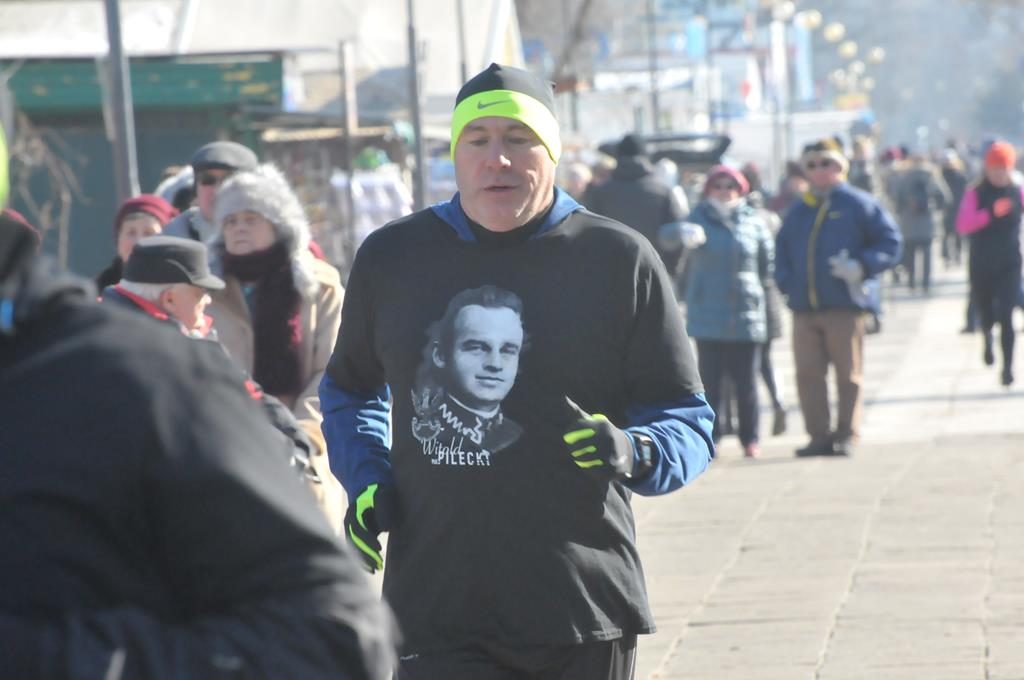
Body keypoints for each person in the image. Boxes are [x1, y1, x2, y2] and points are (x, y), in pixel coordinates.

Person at [320, 62, 715, 679]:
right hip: (436, 607)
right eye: (477, 140)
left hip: (580, 605)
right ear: (455, 155)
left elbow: (686, 415)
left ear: (552, 152)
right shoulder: (392, 257)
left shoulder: (617, 258)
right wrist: (367, 473)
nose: (496, 160)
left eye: (519, 139)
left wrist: (637, 449)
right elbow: (351, 388)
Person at [0, 165, 395, 678]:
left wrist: (51, 659)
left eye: (252, 219)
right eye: (232, 221)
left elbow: (335, 633)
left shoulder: (145, 375)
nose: (207, 306)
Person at [101, 234, 345, 530]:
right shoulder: (130, 346)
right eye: (200, 293)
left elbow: (246, 394)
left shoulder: (187, 337)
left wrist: (292, 445)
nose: (208, 301)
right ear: (170, 299)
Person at [207, 163, 344, 465]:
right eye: (230, 221)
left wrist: (301, 436)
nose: (239, 228)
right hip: (226, 452)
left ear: (279, 225)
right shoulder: (204, 291)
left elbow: (333, 372)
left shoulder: (318, 287)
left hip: (305, 452)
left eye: (251, 219)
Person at [775, 139, 902, 457]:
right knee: (808, 375)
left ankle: (847, 433)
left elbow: (890, 242)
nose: (819, 170)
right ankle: (818, 436)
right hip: (804, 308)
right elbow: (781, 251)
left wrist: (862, 265)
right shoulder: (799, 209)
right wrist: (786, 283)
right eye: (812, 164)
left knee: (848, 375)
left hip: (844, 306)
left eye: (826, 163)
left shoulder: (859, 204)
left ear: (840, 167)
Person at [667, 165, 773, 458]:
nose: (725, 192)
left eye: (731, 186)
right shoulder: (698, 217)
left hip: (746, 312)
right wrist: (680, 232)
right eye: (718, 186)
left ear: (741, 190)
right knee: (710, 381)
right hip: (707, 313)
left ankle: (750, 438)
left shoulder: (753, 221)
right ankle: (711, 437)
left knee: (746, 382)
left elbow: (766, 264)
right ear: (709, 190)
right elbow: (666, 236)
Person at [956, 141, 1024, 387]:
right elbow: (963, 224)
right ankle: (987, 336)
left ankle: (1007, 368)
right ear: (987, 169)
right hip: (982, 263)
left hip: (1009, 262)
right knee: (986, 313)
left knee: (1007, 315)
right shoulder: (975, 192)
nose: (999, 174)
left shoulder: (1017, 190)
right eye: (995, 169)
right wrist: (989, 214)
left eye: (1003, 169)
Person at [584, 133, 689, 276]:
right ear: (645, 156)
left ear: (618, 157)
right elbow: (675, 236)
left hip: (611, 275)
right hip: (653, 273)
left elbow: (588, 236)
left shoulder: (600, 193)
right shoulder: (662, 192)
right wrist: (669, 272)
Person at [163, 140, 258, 242]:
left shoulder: (267, 239)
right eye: (208, 180)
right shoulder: (173, 239)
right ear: (196, 191)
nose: (218, 189)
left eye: (228, 180)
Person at [95, 194, 178, 290]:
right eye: (131, 232)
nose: (138, 242)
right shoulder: (97, 292)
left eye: (148, 233)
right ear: (118, 239)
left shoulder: (181, 291)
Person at [893, 153, 950, 293]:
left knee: (910, 254)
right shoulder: (932, 176)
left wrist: (903, 211)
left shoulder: (905, 177)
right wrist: (936, 210)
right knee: (927, 255)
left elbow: (897, 198)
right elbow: (945, 197)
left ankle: (911, 283)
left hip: (908, 222)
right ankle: (926, 284)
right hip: (927, 221)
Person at [939, 149, 969, 267]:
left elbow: (966, 191)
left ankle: (958, 255)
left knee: (958, 233)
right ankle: (946, 257)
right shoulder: (940, 175)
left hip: (958, 208)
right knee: (946, 234)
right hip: (945, 209)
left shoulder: (960, 175)